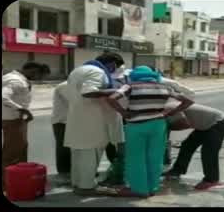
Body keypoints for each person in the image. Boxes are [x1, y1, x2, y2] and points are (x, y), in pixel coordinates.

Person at [105, 66, 193, 198]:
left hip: (136, 126)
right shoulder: (164, 87)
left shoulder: (130, 86)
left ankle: (138, 189)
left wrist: (123, 112)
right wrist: (170, 112)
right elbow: (188, 101)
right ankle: (152, 188)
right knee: (155, 157)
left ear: (135, 75)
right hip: (158, 125)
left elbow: (111, 98)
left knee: (136, 158)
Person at [64, 51, 127, 195]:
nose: (114, 71)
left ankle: (78, 184)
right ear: (112, 64)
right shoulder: (97, 72)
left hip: (78, 119)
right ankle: (87, 187)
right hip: (92, 122)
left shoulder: (77, 70)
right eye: (115, 68)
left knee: (79, 154)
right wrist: (119, 90)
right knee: (90, 155)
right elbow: (88, 92)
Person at [1, 62, 51, 183]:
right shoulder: (15, 81)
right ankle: (8, 181)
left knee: (20, 148)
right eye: (40, 76)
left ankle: (19, 177)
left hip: (16, 118)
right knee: (13, 152)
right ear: (33, 71)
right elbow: (3, 97)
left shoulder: (16, 78)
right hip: (12, 119)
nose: (39, 80)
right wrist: (22, 109)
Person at [163, 104, 224, 191]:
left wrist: (169, 127)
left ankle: (212, 180)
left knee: (208, 152)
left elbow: (185, 124)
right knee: (187, 145)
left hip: (219, 122)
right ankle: (177, 171)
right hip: (205, 125)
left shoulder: (169, 109)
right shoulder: (166, 108)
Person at [51, 81, 71, 177]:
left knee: (71, 147)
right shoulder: (65, 86)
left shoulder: (74, 85)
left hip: (70, 121)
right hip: (62, 121)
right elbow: (73, 100)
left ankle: (72, 171)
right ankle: (64, 172)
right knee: (63, 148)